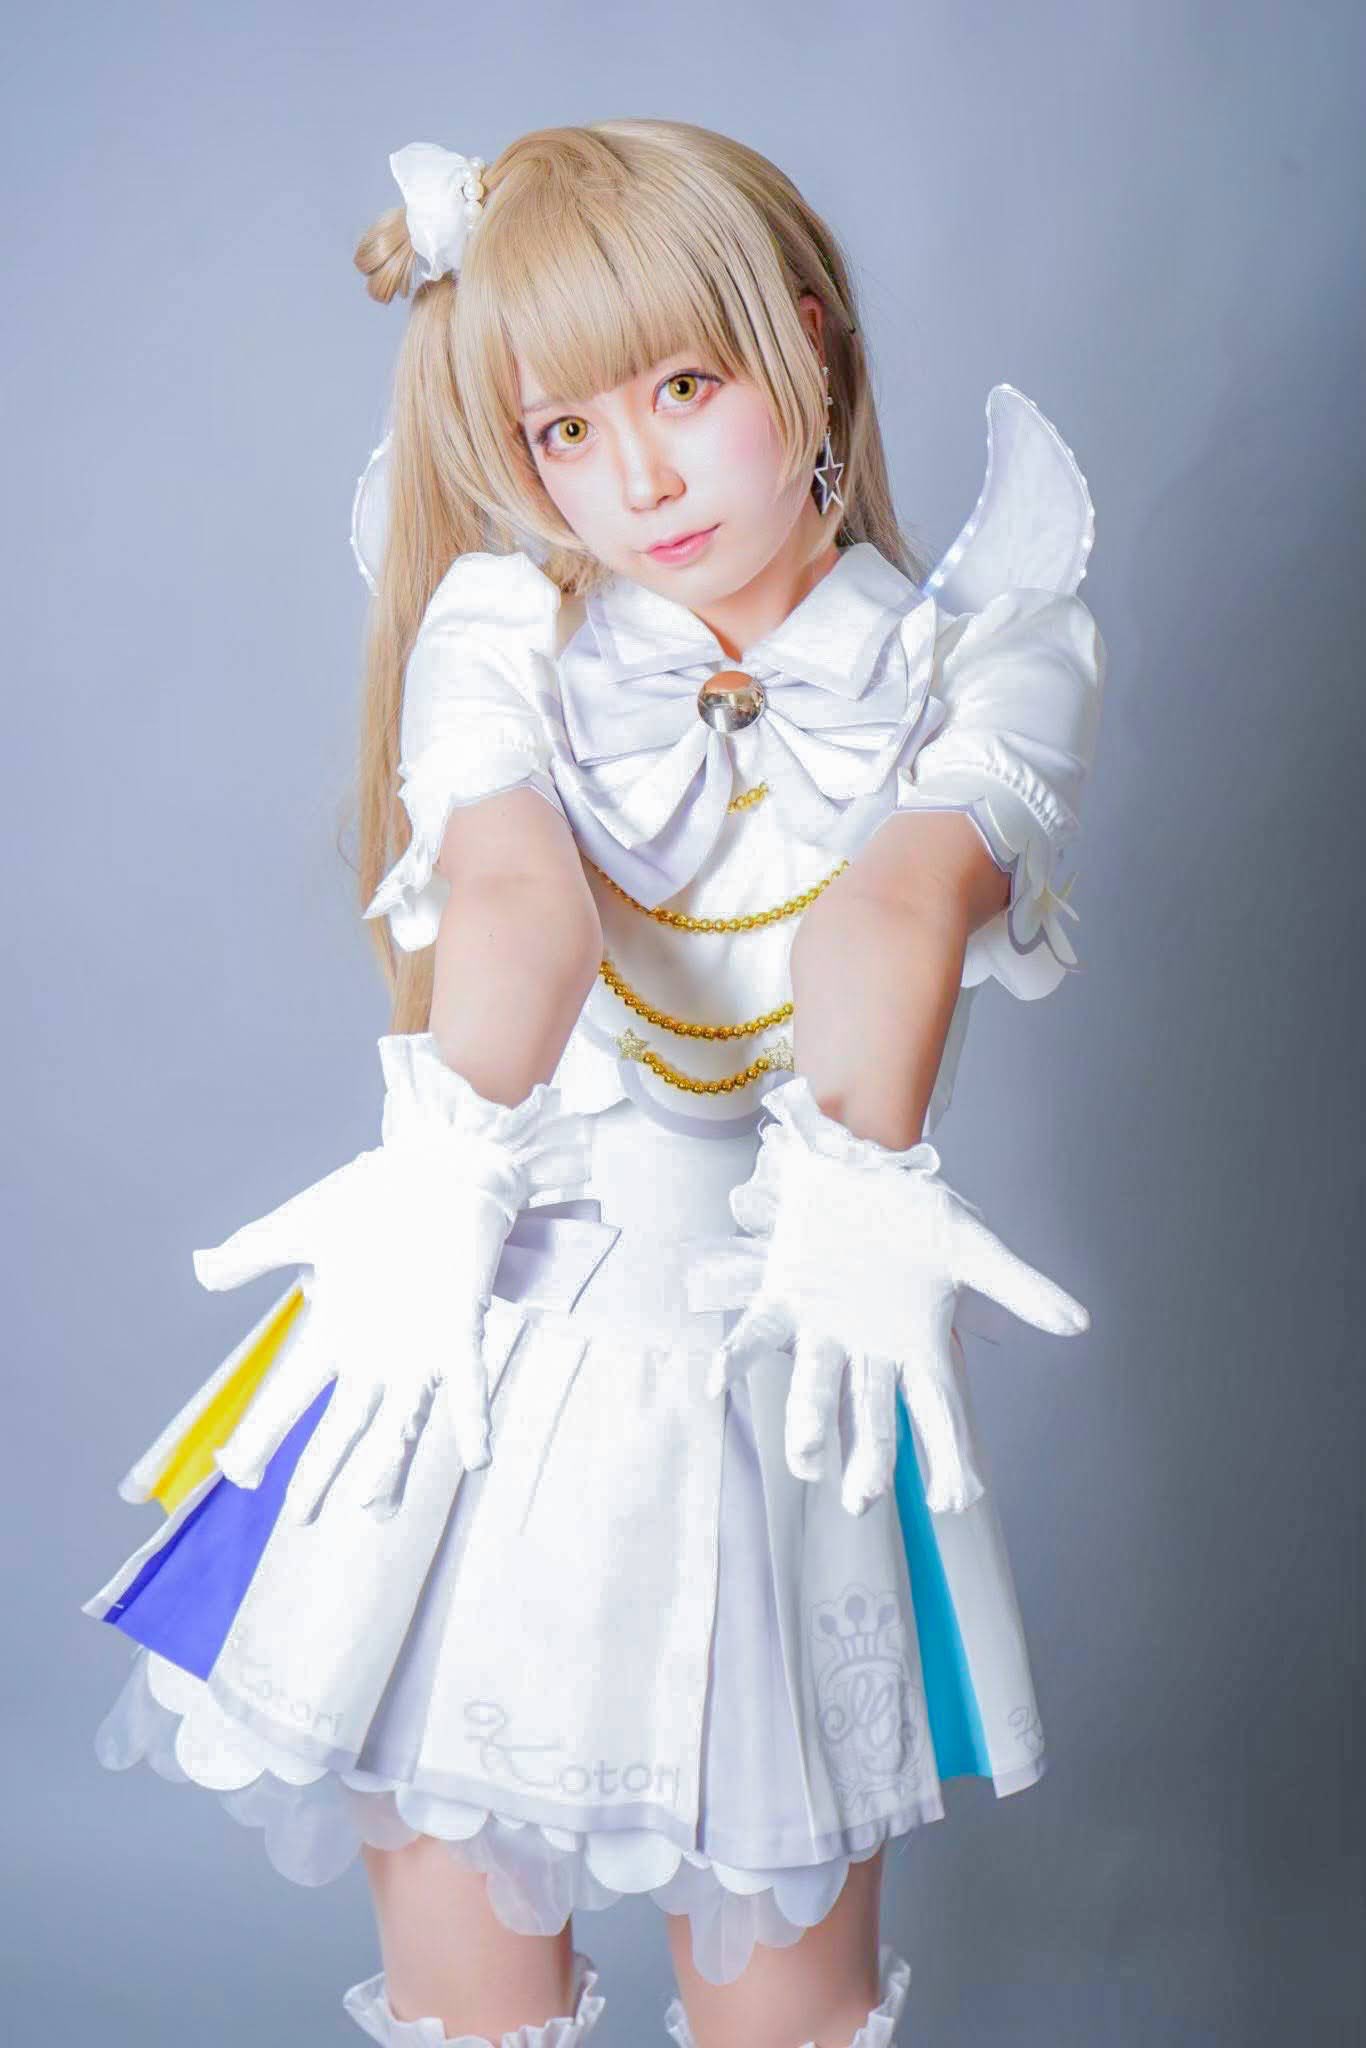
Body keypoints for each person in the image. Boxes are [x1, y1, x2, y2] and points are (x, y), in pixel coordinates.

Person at [82, 118, 1106, 2048]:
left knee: (786, 2016)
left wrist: (855, 1187)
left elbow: (897, 904)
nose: (634, 478)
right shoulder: (500, 630)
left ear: (804, 341)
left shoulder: (991, 654)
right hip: (475, 1345)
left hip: (790, 1360)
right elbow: (512, 897)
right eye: (564, 430)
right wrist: (438, 1178)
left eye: (684, 388)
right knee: (469, 2001)